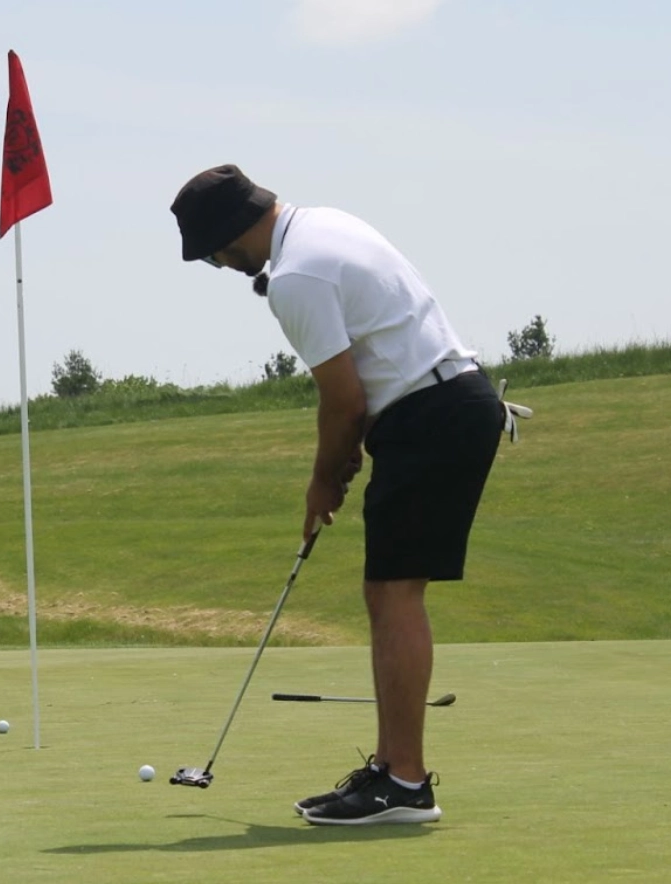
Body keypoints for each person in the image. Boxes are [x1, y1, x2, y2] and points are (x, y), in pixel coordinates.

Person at [171, 165, 505, 825]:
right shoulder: (325, 224)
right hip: (439, 405)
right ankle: (391, 769)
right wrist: (347, 455)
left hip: (431, 414)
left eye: (212, 255)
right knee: (386, 590)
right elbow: (362, 390)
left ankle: (404, 784)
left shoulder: (296, 276)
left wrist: (322, 481)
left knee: (395, 592)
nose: (220, 265)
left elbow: (343, 401)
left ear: (230, 234)